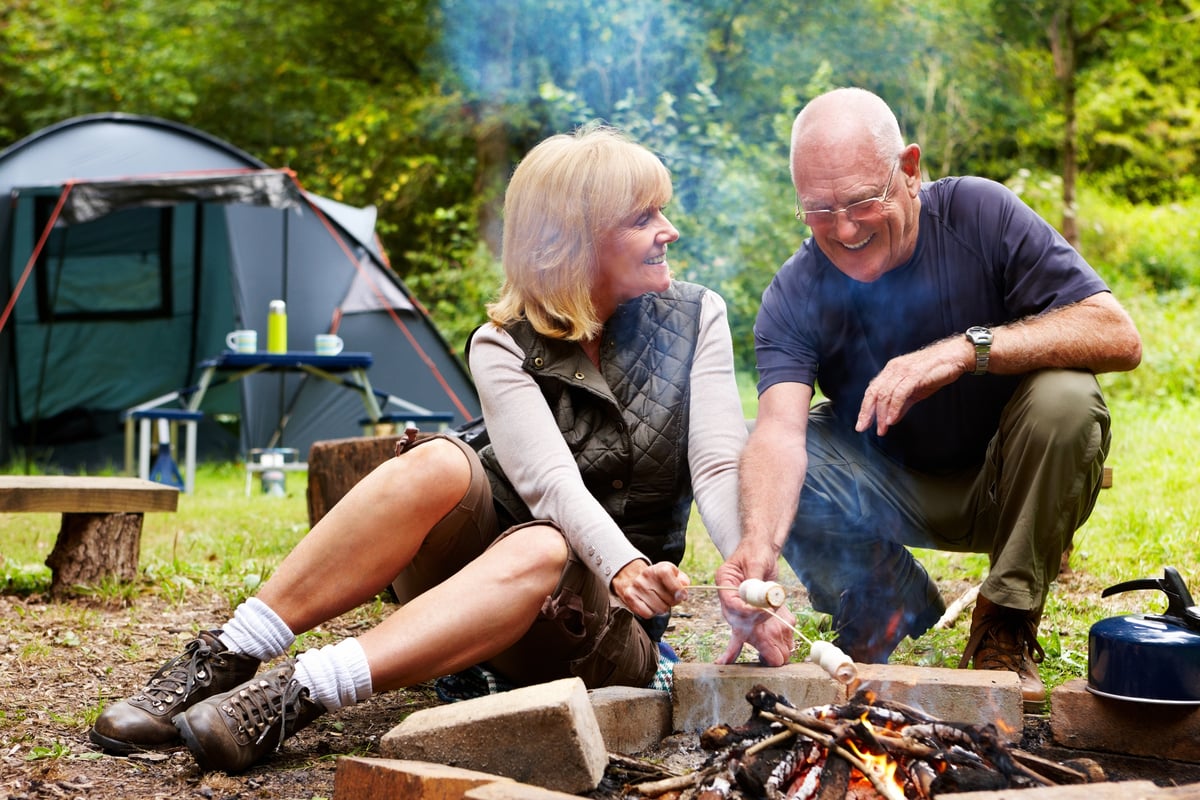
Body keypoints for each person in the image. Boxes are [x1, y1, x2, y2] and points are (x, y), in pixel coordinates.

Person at [88, 124, 760, 772]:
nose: (667, 231)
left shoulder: (699, 316)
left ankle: (301, 693)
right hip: (477, 573)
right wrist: (625, 564)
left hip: (601, 628)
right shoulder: (501, 342)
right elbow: (549, 482)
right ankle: (227, 654)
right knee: (438, 460)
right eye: (644, 218)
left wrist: (742, 576)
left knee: (544, 545)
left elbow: (718, 462)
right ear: (578, 238)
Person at [714, 87, 1142, 711]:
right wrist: (757, 548)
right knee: (762, 455)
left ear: (910, 170)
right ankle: (885, 603)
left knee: (1067, 398)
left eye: (862, 200)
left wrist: (964, 351)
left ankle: (1005, 623)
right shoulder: (796, 289)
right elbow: (779, 434)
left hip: (1012, 480)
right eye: (818, 210)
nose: (843, 228)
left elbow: (1117, 335)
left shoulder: (980, 214)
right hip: (892, 487)